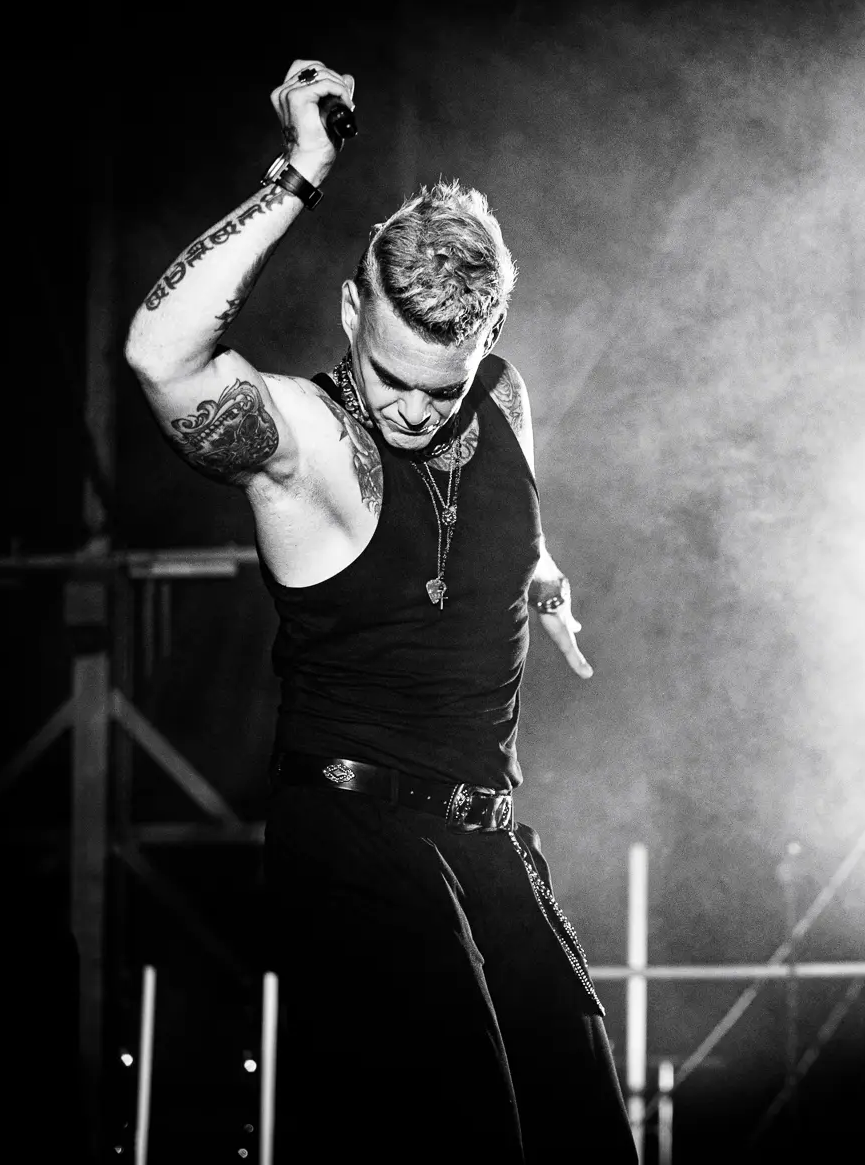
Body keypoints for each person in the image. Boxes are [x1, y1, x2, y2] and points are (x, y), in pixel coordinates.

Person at [124, 60, 637, 1163]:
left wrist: (540, 578)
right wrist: (301, 174)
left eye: (437, 387)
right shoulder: (308, 442)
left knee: (591, 1137)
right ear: (353, 309)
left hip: (488, 838)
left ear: (484, 343)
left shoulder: (498, 396)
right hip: (354, 836)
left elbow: (514, 520)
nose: (409, 408)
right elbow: (158, 356)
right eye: (389, 374)